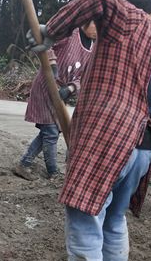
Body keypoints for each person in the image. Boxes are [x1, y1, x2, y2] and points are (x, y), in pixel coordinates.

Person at [27, 0, 151, 261]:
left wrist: (52, 31)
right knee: (114, 217)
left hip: (110, 141)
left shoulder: (131, 20)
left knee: (84, 219)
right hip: (143, 146)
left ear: (130, 7)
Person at [13, 21, 96, 180]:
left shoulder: (93, 48)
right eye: (95, 25)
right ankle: (53, 172)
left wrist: (70, 88)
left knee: (52, 130)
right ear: (86, 22)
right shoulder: (70, 33)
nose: (98, 30)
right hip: (46, 86)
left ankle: (24, 163)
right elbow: (46, 40)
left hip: (61, 92)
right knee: (50, 132)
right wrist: (52, 63)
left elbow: (83, 76)